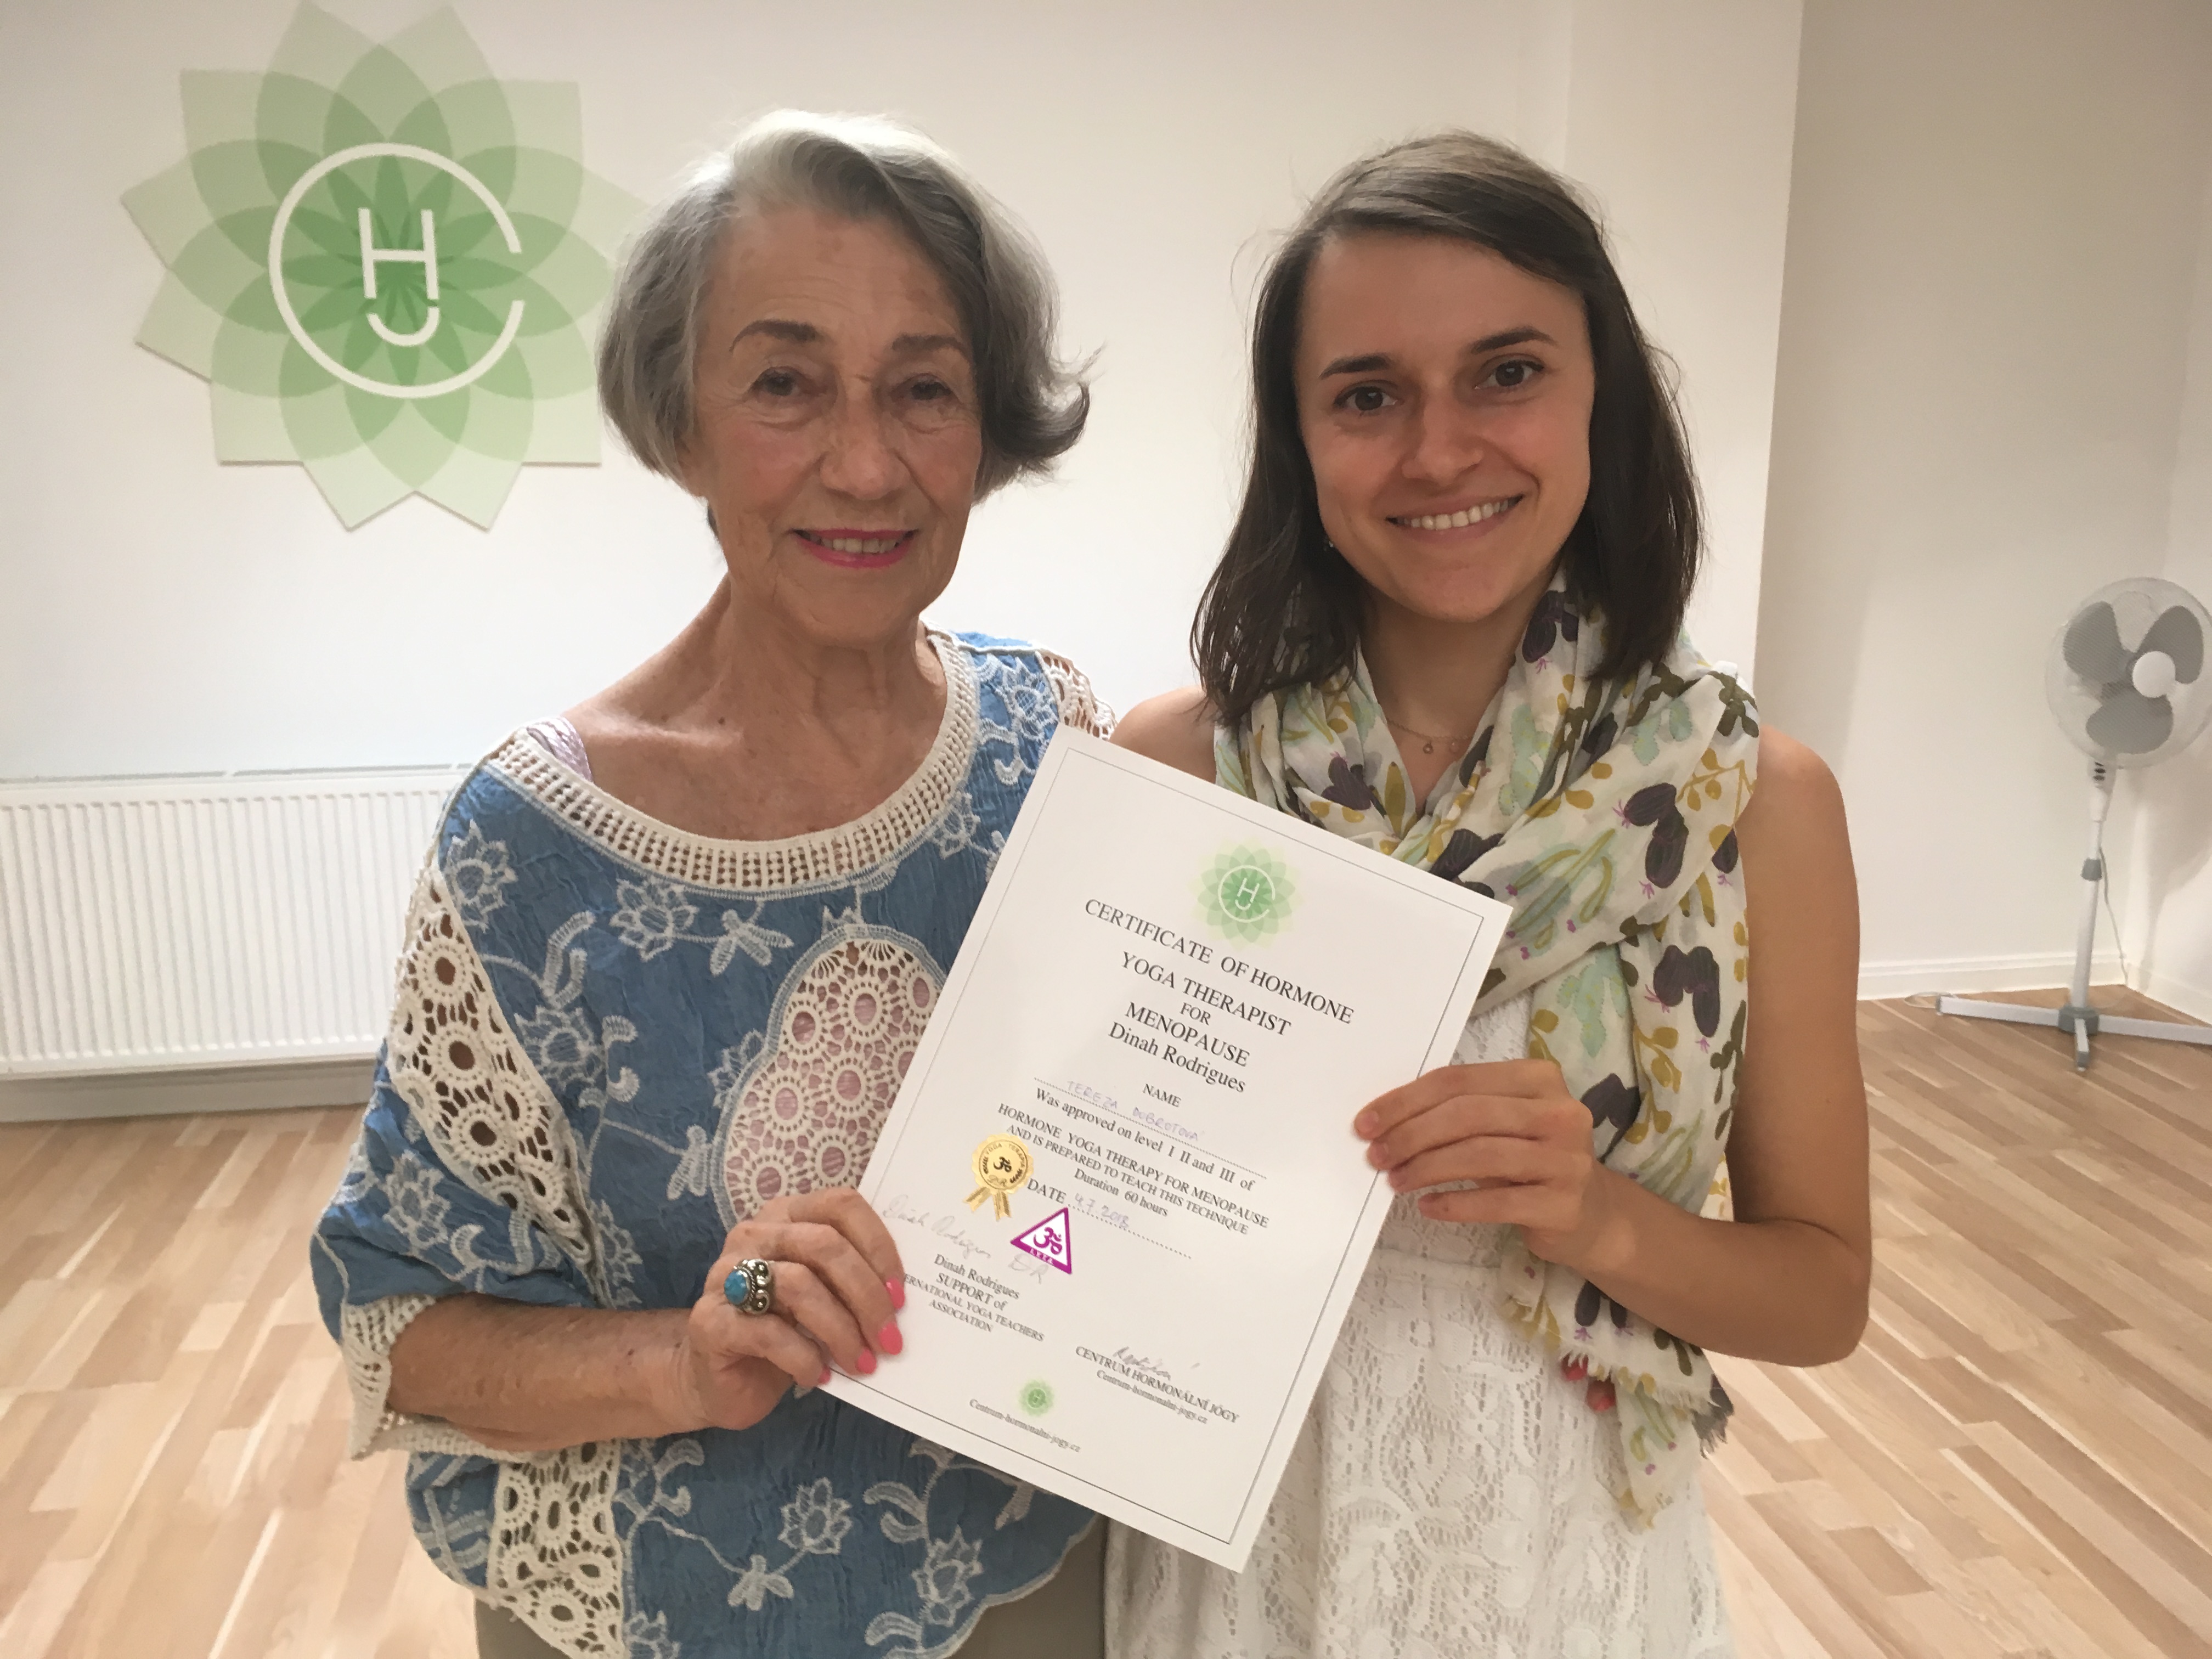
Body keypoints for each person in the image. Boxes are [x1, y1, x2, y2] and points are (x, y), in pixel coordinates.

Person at [311, 111, 1110, 1659]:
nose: (865, 464)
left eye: (924, 389)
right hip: (650, 1604)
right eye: (786, 384)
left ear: (987, 433)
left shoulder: (1053, 744)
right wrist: (684, 1361)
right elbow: (401, 1336)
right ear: (681, 424)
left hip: (1027, 1576)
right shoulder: (533, 844)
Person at [1108, 132, 1870, 1657]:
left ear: (1603, 398)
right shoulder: (1184, 770)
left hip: (1563, 1554)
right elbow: (1084, 1195)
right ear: (1300, 439)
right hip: (1242, 1534)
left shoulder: (1748, 800)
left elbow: (1822, 1295)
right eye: (1368, 395)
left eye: (1506, 373)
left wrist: (1593, 1215)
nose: (1440, 450)